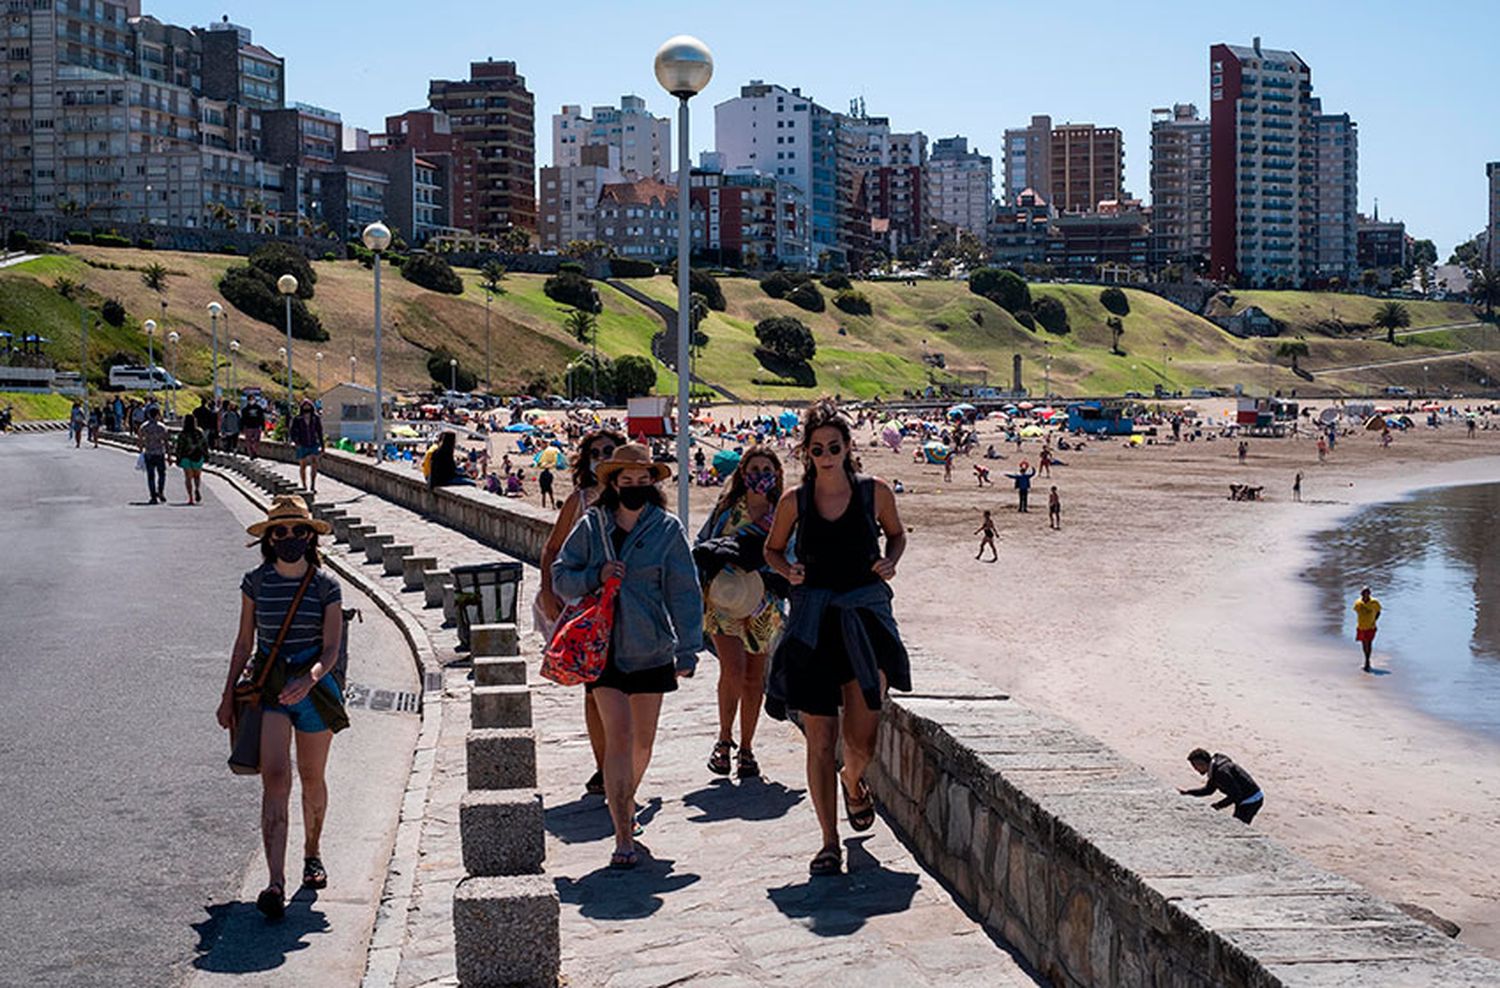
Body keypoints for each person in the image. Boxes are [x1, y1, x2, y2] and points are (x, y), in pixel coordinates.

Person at [764, 399, 910, 877]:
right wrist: (788, 570)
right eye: (817, 448)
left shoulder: (875, 492)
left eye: (834, 446)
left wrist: (891, 560)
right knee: (819, 740)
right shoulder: (795, 501)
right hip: (814, 626)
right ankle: (829, 842)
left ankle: (854, 782)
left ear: (848, 447)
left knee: (861, 738)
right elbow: (771, 548)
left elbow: (896, 535)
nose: (826, 454)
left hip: (864, 621)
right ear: (806, 452)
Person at [552, 444, 703, 869]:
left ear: (652, 483)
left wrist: (688, 648)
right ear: (613, 483)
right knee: (617, 737)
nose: (634, 487)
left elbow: (684, 591)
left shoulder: (667, 531)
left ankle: (627, 799)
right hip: (603, 653)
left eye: (643, 480)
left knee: (642, 742)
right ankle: (622, 833)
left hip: (652, 648)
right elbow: (561, 576)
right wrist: (594, 576)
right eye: (626, 480)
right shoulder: (591, 526)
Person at [218, 496, 347, 919]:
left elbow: (330, 648)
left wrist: (308, 679)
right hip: (269, 688)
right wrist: (226, 696)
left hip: (314, 689)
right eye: (281, 531)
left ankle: (312, 853)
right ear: (268, 539)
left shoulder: (327, 586)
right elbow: (244, 642)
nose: (289, 538)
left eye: (297, 531)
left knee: (312, 777)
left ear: (310, 537)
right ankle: (275, 881)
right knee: (275, 778)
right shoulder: (254, 582)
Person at [536, 428, 626, 796]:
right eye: (597, 451)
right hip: (589, 605)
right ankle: (604, 766)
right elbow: (551, 548)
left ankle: (622, 762)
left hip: (628, 607)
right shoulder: (580, 501)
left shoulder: (634, 498)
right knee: (594, 689)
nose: (603, 456)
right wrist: (546, 589)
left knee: (627, 689)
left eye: (610, 451)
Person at [696, 446, 786, 781]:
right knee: (732, 671)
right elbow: (703, 541)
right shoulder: (727, 509)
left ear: (775, 474)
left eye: (766, 468)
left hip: (763, 603)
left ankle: (747, 748)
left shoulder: (783, 513)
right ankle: (724, 740)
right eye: (754, 468)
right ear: (743, 473)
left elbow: (790, 553)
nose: (760, 475)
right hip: (723, 599)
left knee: (753, 679)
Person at [1179, 748, 1264, 825]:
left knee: (1237, 826)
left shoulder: (1221, 773)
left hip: (1251, 800)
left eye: (1195, 766)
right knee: (1237, 824)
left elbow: (1236, 794)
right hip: (1247, 798)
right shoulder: (1215, 769)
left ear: (1201, 763)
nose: (1195, 770)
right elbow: (1208, 790)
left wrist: (1218, 806)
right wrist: (1187, 793)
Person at [290, 400, 324, 493]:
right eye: (305, 406)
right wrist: (296, 442)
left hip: (313, 443)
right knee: (303, 465)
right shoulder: (297, 418)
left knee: (314, 463)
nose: (306, 407)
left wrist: (322, 445)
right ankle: (304, 484)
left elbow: (319, 431)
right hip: (302, 444)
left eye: (308, 405)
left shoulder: (315, 418)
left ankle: (312, 484)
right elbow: (292, 431)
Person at [138, 406, 170, 504]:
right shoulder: (162, 427)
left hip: (149, 453)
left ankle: (153, 496)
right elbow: (166, 442)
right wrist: (169, 455)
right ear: (157, 415)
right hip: (160, 453)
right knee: (162, 474)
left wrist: (141, 449)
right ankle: (160, 491)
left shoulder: (144, 426)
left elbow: (140, 440)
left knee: (151, 476)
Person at [175, 412, 209, 504]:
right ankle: (197, 488)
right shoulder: (199, 432)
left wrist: (177, 458)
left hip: (186, 457)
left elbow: (179, 447)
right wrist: (206, 455)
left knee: (188, 478)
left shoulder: (182, 433)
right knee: (197, 476)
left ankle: (190, 498)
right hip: (198, 456)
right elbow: (204, 444)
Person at [1353, 585, 1381, 672]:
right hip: (1361, 626)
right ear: (1361, 594)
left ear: (1369, 594)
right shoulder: (1358, 603)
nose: (1365, 595)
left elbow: (1378, 612)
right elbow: (1356, 612)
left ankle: (1367, 660)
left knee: (1369, 643)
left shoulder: (1374, 602)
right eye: (1363, 593)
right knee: (1364, 644)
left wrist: (1374, 620)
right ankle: (1366, 659)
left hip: (1371, 626)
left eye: (1367, 593)